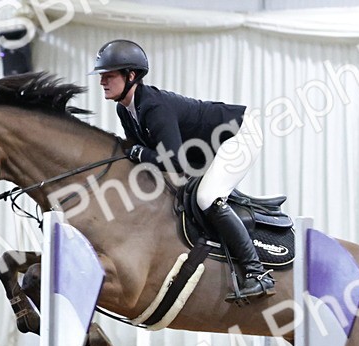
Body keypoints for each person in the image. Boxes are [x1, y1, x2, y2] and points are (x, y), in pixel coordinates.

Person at [91, 39, 274, 303]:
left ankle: (258, 274)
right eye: (102, 76)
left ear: (131, 76)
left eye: (109, 75)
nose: (102, 82)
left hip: (239, 133)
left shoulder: (154, 107)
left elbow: (172, 161)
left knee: (207, 198)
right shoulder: (125, 109)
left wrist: (140, 154)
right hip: (203, 149)